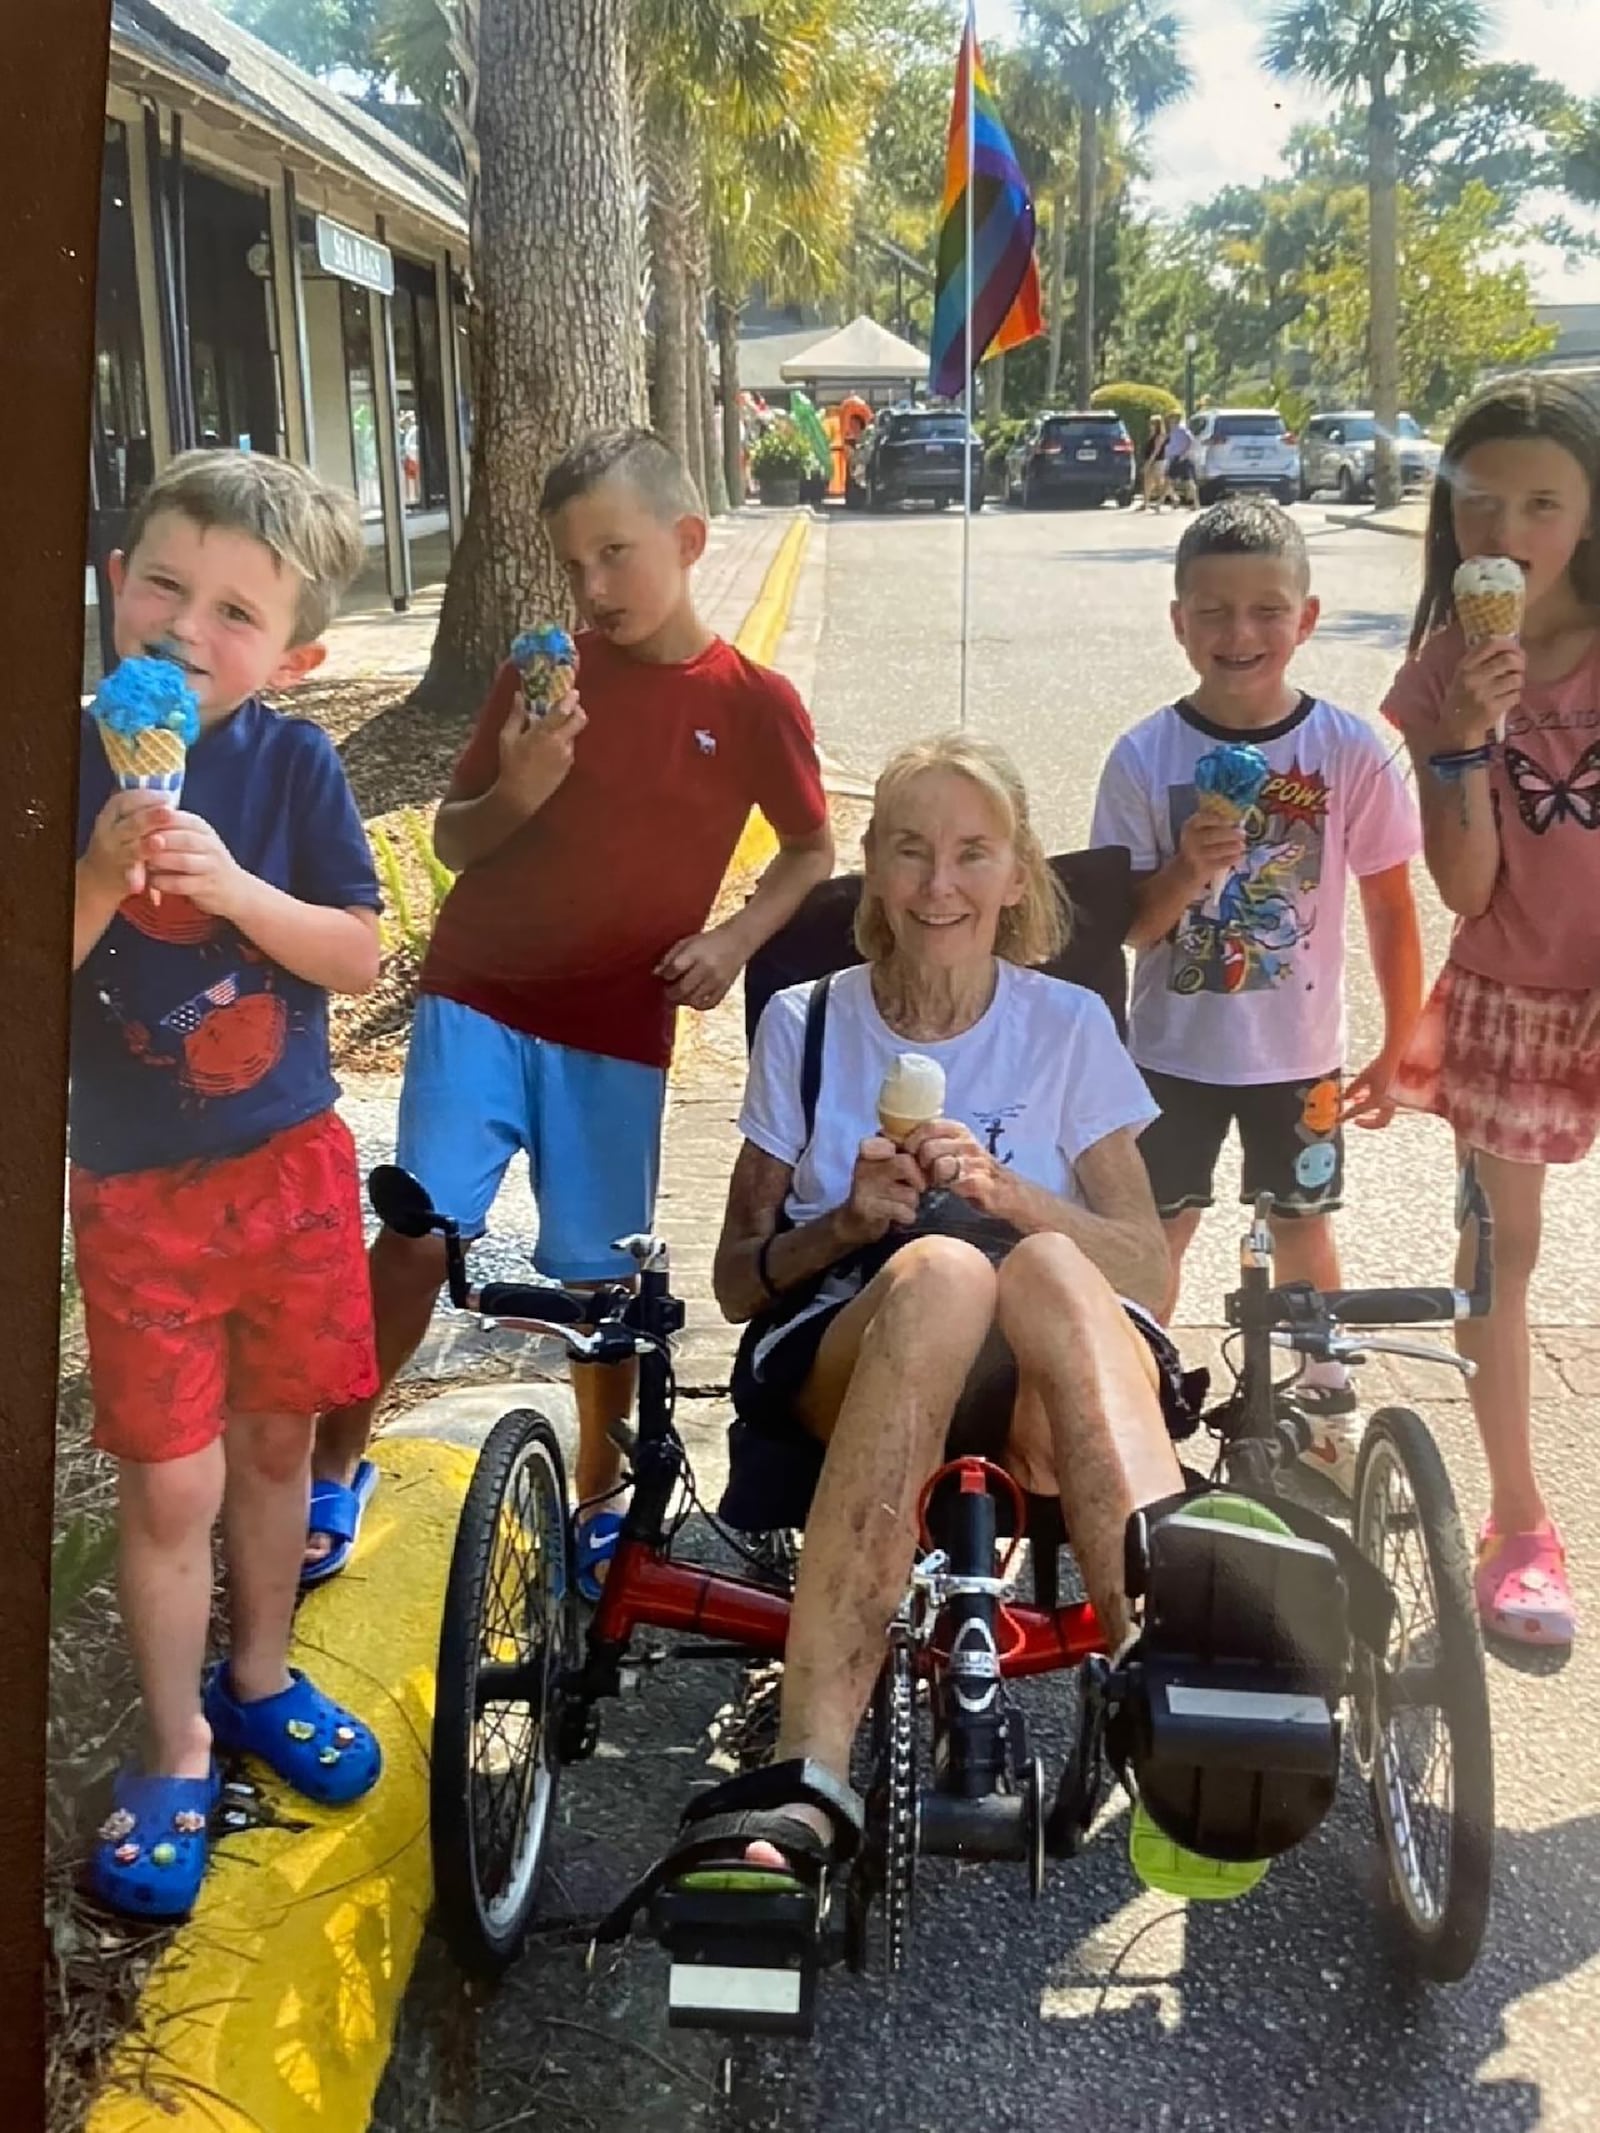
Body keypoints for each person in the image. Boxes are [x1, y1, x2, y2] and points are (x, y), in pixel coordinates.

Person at [311, 427, 834, 1595]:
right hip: (479, 992)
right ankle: (331, 1459)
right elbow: (453, 840)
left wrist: (734, 936)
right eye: (574, 565)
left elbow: (809, 847)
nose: (593, 590)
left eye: (616, 554)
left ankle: (598, 1496)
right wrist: (521, 783)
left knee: (603, 1281)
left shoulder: (752, 702)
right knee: (417, 1228)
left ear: (689, 543)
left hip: (620, 1026)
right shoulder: (540, 676)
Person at [664, 733, 1197, 1876]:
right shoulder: (805, 1024)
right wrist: (850, 1224)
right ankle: (810, 1772)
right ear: (872, 869)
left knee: (1048, 1268)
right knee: (943, 1271)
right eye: (910, 851)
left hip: (1041, 1375)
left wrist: (1005, 1190)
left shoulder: (1066, 1024)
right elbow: (733, 1275)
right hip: (858, 1336)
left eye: (971, 853)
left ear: (1017, 877)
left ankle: (1178, 1688)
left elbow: (1142, 1267)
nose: (939, 884)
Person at [71, 451, 385, 1919]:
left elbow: (358, 954)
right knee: (169, 1480)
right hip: (138, 1193)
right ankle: (179, 1740)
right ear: (113, 582)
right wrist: (96, 873)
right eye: (162, 584)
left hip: (293, 1172)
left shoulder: (292, 768)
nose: (188, 628)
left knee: (273, 1448)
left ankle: (257, 1675)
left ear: (297, 656)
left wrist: (237, 892)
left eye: (237, 612)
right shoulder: (61, 761)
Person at [1091, 497, 1422, 1491]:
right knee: (1159, 1232)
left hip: (1299, 1056)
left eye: (1266, 610)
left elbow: (1392, 906)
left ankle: (1321, 1394)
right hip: (1170, 1055)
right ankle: (1125, 1388)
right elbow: (1124, 931)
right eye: (1215, 612)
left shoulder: (1346, 751)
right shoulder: (1146, 757)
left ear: (1306, 619)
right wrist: (1185, 874)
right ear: (1178, 622)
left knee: (1302, 1226)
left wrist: (1398, 1044)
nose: (1241, 635)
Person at [1383, 372, 1600, 1649]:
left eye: (1542, 503)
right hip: (1515, 993)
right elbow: (1464, 887)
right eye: (1479, 508)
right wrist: (1463, 736)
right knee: (1496, 1260)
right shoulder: (1436, 674)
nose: (1507, 534)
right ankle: (1519, 1526)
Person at [1163, 414, 1198, 509]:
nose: (1170, 421)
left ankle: (1195, 503)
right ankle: (1175, 500)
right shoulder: (1172, 431)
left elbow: (1191, 442)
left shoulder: (1182, 430)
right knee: (1169, 480)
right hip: (1174, 458)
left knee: (1188, 482)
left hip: (1181, 458)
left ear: (1176, 419)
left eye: (1172, 418)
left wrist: (1185, 454)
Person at [1138, 412, 1170, 510]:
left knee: (1158, 482)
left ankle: (1170, 497)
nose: (1150, 425)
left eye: (1153, 423)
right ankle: (1145, 503)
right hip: (1150, 460)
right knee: (1147, 481)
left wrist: (1148, 463)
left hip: (1159, 461)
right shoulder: (1151, 435)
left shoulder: (1160, 435)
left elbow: (1156, 451)